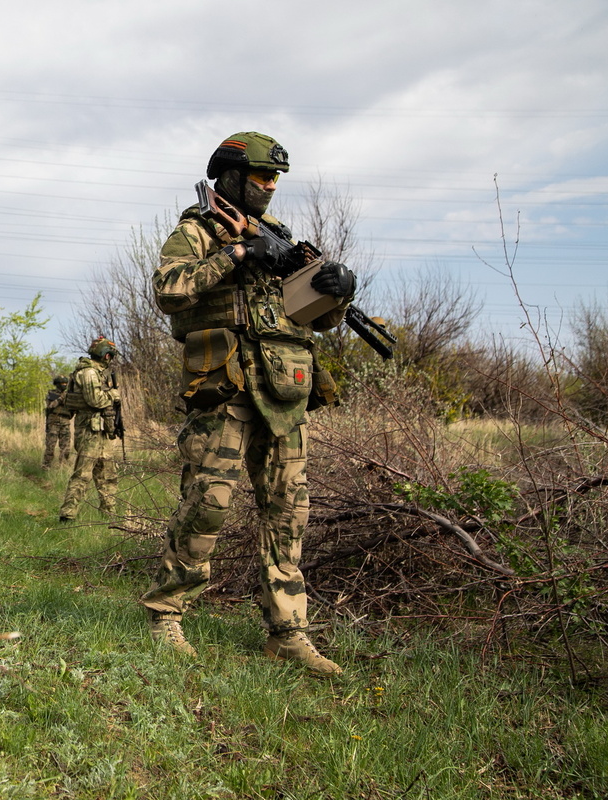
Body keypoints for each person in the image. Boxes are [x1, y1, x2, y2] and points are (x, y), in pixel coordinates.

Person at [138, 132, 356, 676]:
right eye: (262, 176)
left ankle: (287, 633)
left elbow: (314, 318)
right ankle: (165, 613)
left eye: (276, 177)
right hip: (226, 388)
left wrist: (336, 288)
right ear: (231, 176)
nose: (271, 186)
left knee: (289, 512)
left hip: (285, 391)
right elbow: (168, 290)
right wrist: (234, 254)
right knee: (207, 503)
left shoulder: (279, 239)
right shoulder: (199, 230)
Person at [58, 336, 121, 522]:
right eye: (110, 355)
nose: (110, 359)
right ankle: (68, 515)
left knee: (107, 474)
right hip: (89, 430)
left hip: (102, 430)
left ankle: (109, 515)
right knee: (83, 474)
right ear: (106, 355)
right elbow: (96, 400)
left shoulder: (98, 372)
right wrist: (114, 395)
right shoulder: (89, 373)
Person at [41, 375, 74, 469]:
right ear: (57, 384)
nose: (64, 385)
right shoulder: (52, 394)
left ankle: (63, 466)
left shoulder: (69, 394)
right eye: (62, 383)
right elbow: (51, 405)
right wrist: (61, 398)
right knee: (50, 446)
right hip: (53, 422)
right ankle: (46, 466)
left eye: (65, 383)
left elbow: (73, 409)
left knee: (66, 448)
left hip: (65, 423)